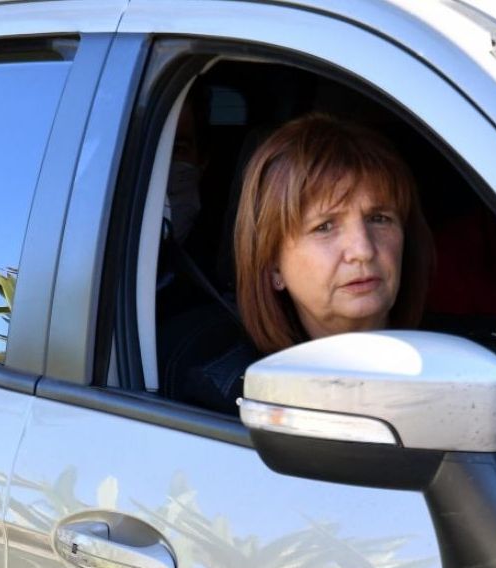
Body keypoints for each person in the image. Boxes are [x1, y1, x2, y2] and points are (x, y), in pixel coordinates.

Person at [166, 112, 432, 414]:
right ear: (274, 266)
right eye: (325, 227)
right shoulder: (240, 403)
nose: (362, 250)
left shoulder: (459, 365)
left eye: (379, 219)